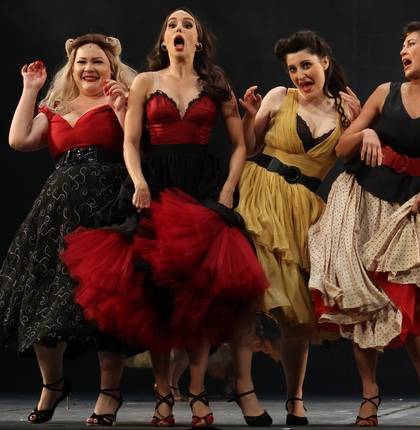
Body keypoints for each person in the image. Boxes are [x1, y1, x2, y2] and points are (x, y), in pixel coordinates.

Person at [60, 9, 269, 427]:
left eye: (187, 24)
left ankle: (197, 391)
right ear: (164, 40)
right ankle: (162, 395)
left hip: (200, 187)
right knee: (155, 296)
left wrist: (229, 189)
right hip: (154, 185)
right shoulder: (145, 81)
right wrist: (138, 181)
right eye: (172, 24)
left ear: (198, 40)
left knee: (201, 295)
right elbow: (131, 141)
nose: (179, 29)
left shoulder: (215, 82)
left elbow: (240, 145)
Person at [0, 34, 136, 425]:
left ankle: (109, 393)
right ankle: (52, 384)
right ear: (71, 68)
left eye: (97, 61)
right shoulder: (56, 106)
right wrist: (30, 89)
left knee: (109, 301)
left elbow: (138, 147)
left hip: (107, 206)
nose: (89, 68)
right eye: (81, 62)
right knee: (41, 296)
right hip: (56, 212)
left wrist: (122, 109)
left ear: (112, 67)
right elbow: (19, 139)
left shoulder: (123, 99)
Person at [308, 19, 420, 427]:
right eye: (402, 45)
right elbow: (343, 147)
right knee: (359, 301)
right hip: (361, 197)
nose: (403, 50)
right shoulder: (385, 92)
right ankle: (369, 393)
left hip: (408, 206)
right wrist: (364, 135)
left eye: (411, 44)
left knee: (406, 302)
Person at [236, 29, 361, 425]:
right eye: (292, 69)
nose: (300, 75)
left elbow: (356, 165)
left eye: (306, 65)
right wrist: (248, 114)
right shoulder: (279, 97)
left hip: (303, 211)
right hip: (259, 193)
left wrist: (361, 124)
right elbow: (248, 147)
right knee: (246, 295)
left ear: (325, 62)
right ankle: (243, 388)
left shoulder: (346, 111)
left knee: (296, 315)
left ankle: (295, 399)